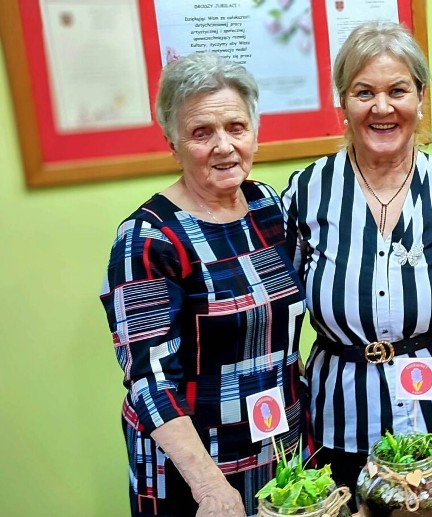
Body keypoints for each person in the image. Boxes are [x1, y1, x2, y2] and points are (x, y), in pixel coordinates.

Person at [281, 21, 432, 497]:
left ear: (420, 97)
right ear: (342, 102)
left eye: (398, 90)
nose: (382, 108)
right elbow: (280, 313)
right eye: (363, 92)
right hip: (343, 424)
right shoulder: (307, 193)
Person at [100, 53, 308, 517]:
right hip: (196, 473)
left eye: (236, 127)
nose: (223, 146)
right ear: (173, 144)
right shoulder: (147, 238)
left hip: (280, 448)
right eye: (201, 133)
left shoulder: (267, 207)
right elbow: (150, 382)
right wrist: (211, 488)